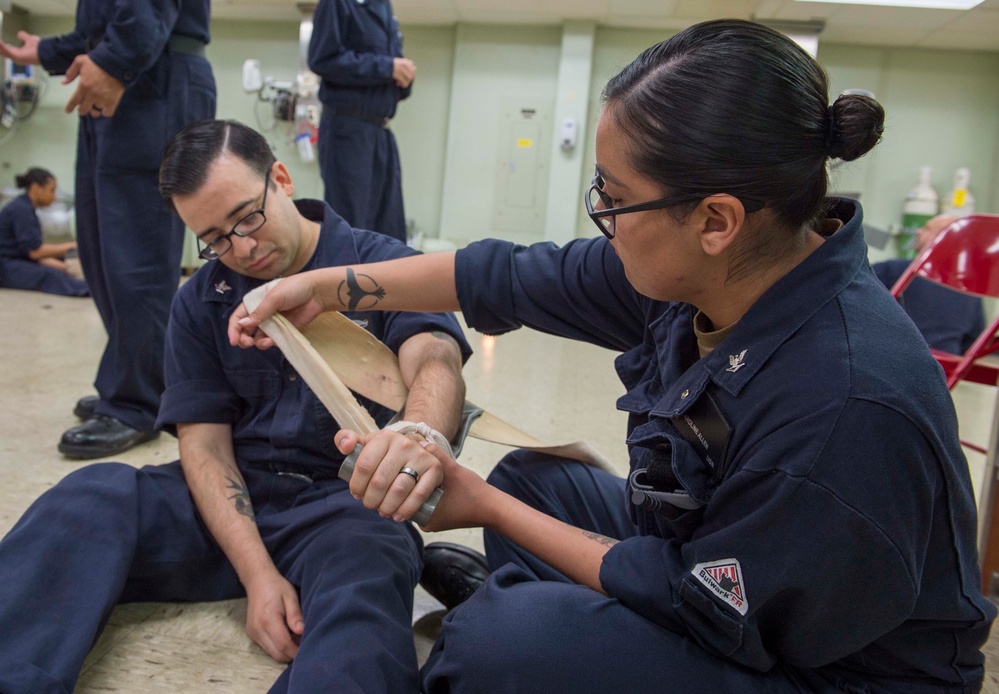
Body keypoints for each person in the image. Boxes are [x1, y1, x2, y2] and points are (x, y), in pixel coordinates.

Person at [231, 20, 997, 693]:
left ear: (715, 220)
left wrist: (479, 503)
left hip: (826, 667)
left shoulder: (842, 402)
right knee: (537, 482)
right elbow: (499, 274)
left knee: (496, 642)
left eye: (612, 196)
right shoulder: (714, 271)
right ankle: (571, 627)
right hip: (722, 564)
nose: (600, 214)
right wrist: (326, 287)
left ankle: (543, 631)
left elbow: (709, 597)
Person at [0, 119, 471, 694]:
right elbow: (204, 444)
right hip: (228, 503)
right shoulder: (201, 300)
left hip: (342, 506)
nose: (242, 248)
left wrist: (418, 435)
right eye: (216, 238)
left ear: (280, 177)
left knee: (368, 581)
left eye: (248, 217)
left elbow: (435, 359)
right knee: (87, 497)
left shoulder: (382, 266)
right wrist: (258, 577)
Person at [0, 0, 217, 459]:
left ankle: (136, 404)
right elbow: (110, 18)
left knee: (137, 254)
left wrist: (115, 60)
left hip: (151, 76)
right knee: (103, 253)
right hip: (132, 68)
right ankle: (133, 382)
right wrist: (50, 51)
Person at [308, 0, 414, 243]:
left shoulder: (384, 9)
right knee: (352, 227)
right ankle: (345, 281)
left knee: (389, 228)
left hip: (381, 130)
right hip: (348, 128)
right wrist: (387, 67)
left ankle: (386, 281)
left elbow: (391, 73)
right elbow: (323, 59)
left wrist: (403, 74)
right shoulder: (339, 4)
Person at [873, 214, 985, 354]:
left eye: (927, 228)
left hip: (892, 361)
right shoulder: (971, 289)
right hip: (944, 371)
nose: (917, 231)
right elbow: (973, 341)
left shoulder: (895, 270)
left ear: (944, 240)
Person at [0, 168, 89, 297]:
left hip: (18, 260)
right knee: (50, 275)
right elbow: (35, 252)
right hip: (7, 267)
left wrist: (62, 266)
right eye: (52, 191)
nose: (54, 196)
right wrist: (75, 245)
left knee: (59, 262)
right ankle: (90, 290)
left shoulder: (24, 207)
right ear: (36, 188)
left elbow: (31, 253)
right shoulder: (21, 210)